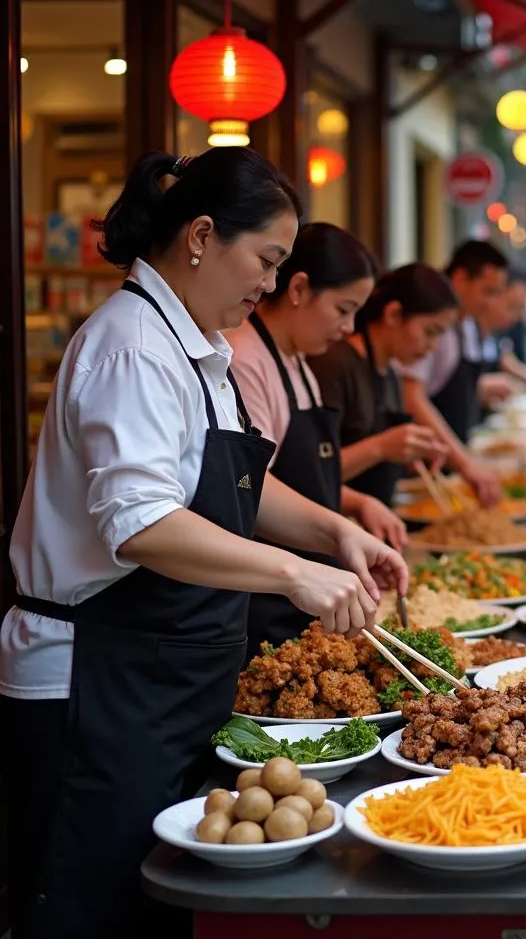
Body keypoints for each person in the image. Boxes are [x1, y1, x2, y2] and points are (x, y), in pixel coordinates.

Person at [0, 148, 407, 939]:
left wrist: (335, 531)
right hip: (93, 683)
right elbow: (142, 522)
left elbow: (237, 489)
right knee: (87, 908)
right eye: (266, 260)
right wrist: (295, 574)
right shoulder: (132, 346)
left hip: (163, 679)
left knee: (156, 907)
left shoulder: (197, 345)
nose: (268, 283)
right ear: (200, 235)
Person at [226, 223, 422, 657]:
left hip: (314, 593)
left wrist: (354, 505)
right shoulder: (244, 360)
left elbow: (303, 478)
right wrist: (336, 533)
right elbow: (249, 491)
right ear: (298, 289)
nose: (348, 327)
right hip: (270, 605)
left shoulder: (297, 360)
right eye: (342, 309)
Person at [307, 263, 456, 509]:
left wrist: (410, 453)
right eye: (430, 332)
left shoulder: (390, 372)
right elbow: (308, 475)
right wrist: (383, 446)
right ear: (393, 314)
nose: (434, 346)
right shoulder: (334, 363)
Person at [399, 240, 512, 505]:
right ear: (460, 278)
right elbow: (411, 395)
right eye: (488, 291)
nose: (493, 302)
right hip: (427, 468)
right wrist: (465, 462)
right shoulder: (434, 321)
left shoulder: (466, 326)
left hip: (450, 462)